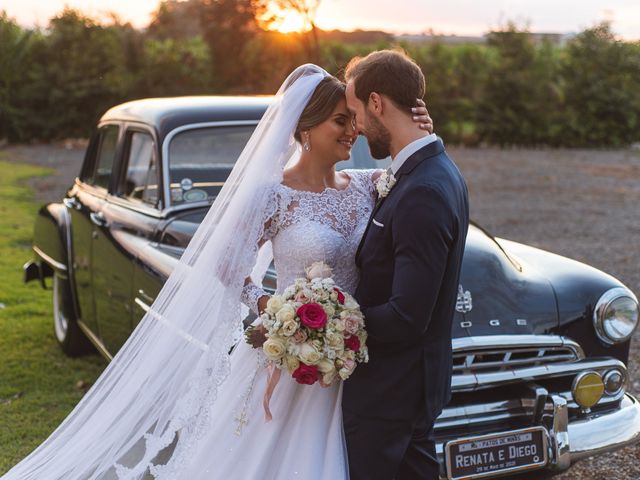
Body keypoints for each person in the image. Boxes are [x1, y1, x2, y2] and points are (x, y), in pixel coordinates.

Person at [1, 64, 432, 480]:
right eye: (341, 121)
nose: (353, 130)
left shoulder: (369, 184)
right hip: (291, 357)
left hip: (356, 366)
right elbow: (227, 266)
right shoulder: (273, 195)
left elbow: (415, 167)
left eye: (353, 118)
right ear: (305, 129)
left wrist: (422, 129)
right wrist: (272, 307)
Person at [342, 50, 470, 480]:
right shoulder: (429, 169)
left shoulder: (423, 190)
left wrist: (329, 322)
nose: (355, 128)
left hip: (390, 396)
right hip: (404, 393)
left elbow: (406, 315)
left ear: (377, 102)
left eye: (356, 111)